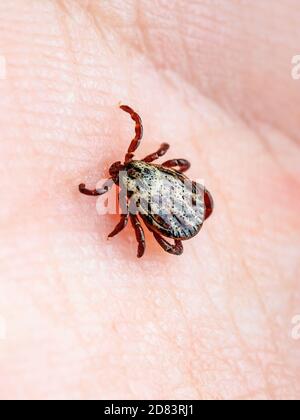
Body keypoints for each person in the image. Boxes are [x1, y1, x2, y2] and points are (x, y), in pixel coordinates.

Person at [0, 0, 299, 400]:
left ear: (143, 161)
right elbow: (171, 178)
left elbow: (139, 231)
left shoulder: (133, 192)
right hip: (174, 194)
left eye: (122, 174)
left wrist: (123, 216)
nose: (118, 173)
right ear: (148, 159)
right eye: (123, 174)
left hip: (172, 195)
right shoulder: (147, 165)